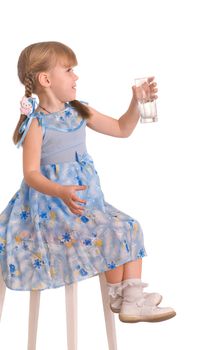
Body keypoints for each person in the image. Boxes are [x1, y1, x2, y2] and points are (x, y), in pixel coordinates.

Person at [0, 41, 176, 323]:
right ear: (46, 79)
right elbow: (31, 174)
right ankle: (123, 295)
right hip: (54, 210)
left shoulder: (80, 110)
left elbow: (121, 128)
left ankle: (127, 297)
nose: (76, 76)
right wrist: (60, 190)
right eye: (69, 70)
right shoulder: (37, 123)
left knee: (129, 226)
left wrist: (136, 102)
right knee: (111, 232)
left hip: (88, 204)